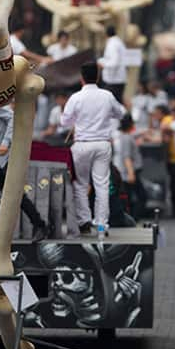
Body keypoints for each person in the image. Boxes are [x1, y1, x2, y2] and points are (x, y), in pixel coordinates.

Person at [61, 61, 126, 236]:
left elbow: (64, 121)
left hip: (82, 145)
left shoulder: (75, 98)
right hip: (103, 144)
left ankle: (84, 222)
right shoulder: (107, 96)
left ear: (81, 78)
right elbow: (121, 113)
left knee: (80, 184)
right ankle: (101, 226)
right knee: (102, 185)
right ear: (97, 76)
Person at [0, 105, 50, 242]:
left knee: (16, 194)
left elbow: (13, 118)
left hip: (12, 152)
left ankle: (40, 225)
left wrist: (6, 142)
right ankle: (0, 231)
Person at [151, 103, 175, 219]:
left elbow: (164, 139)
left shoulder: (166, 120)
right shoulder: (170, 120)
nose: (154, 116)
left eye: (156, 114)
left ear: (161, 113)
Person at [115, 113, 146, 218]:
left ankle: (131, 217)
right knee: (140, 196)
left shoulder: (124, 137)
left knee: (130, 196)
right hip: (130, 172)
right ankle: (133, 217)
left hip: (128, 171)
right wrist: (131, 173)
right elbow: (127, 157)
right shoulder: (127, 138)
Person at [97, 25, 127, 101]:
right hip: (118, 79)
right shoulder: (118, 42)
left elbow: (114, 62)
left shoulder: (113, 44)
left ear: (106, 34)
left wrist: (102, 64)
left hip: (113, 81)